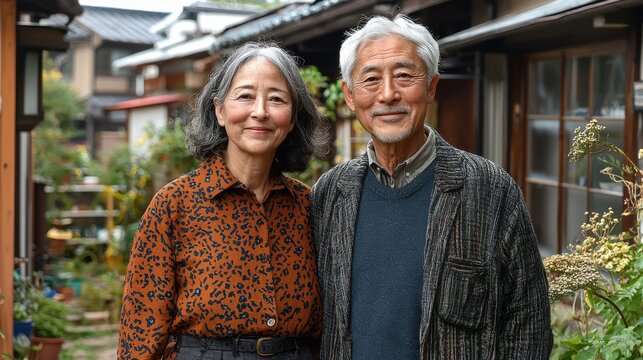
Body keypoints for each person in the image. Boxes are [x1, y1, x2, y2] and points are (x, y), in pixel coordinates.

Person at [311, 15, 552, 359]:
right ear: (350, 96)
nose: (388, 94)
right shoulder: (330, 193)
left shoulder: (490, 190)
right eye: (371, 79)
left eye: (405, 75)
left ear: (432, 87)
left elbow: (528, 325)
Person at [118, 42, 327, 359]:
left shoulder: (308, 206)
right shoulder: (176, 204)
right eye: (245, 96)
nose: (260, 111)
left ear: (293, 117)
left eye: (276, 99)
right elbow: (140, 333)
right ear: (219, 109)